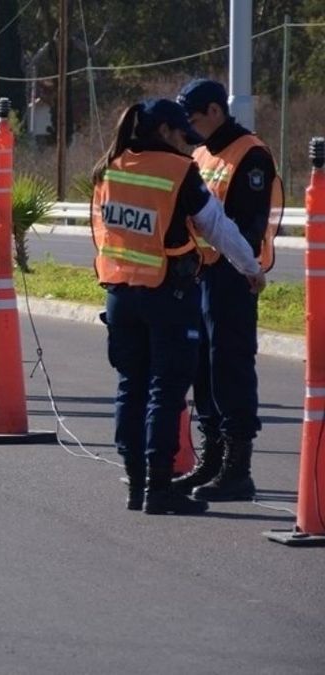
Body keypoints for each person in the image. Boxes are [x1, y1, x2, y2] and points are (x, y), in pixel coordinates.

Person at [90, 98, 266, 515]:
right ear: (165, 131)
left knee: (130, 387)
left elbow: (101, 232)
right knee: (165, 392)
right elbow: (217, 226)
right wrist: (251, 268)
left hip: (119, 294)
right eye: (181, 137)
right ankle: (158, 488)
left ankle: (136, 485)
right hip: (167, 294)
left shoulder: (109, 167)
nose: (187, 146)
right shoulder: (177, 171)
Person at [173, 79, 281, 501]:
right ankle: (212, 459)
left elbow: (248, 226)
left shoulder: (251, 154)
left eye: (194, 119)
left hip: (233, 277)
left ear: (216, 111)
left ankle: (237, 469)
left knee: (229, 367)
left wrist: (243, 264)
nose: (190, 128)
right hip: (201, 273)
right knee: (201, 368)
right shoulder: (200, 153)